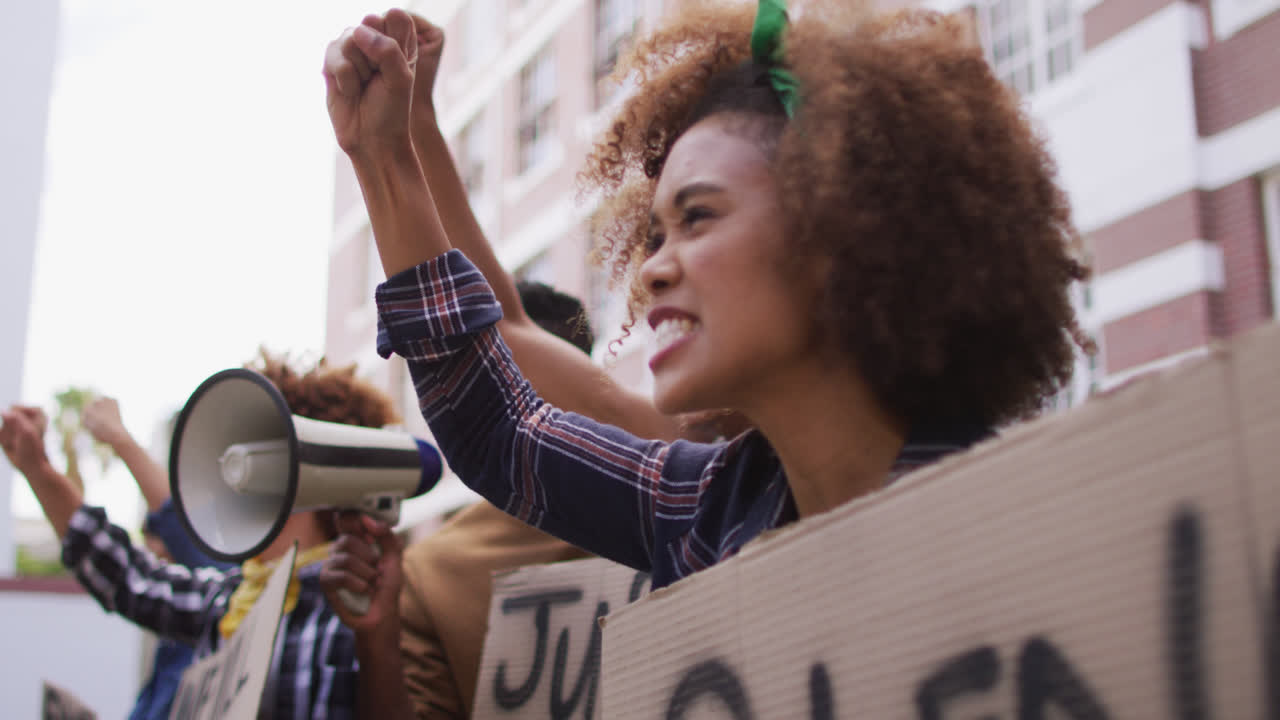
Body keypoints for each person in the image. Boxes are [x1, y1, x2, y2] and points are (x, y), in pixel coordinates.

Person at [322, 0, 1089, 592]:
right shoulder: (707, 506)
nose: (651, 271)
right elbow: (502, 431)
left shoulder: (1039, 519)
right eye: (653, 235)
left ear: (843, 232)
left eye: (698, 217)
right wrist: (381, 153)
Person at [0, 352, 420, 720]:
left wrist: (375, 638)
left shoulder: (353, 613)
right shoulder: (231, 598)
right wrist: (39, 471)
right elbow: (128, 577)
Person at [80, 396, 233, 720]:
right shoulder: (186, 613)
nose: (156, 548)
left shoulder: (226, 585)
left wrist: (120, 439)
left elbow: (180, 525)